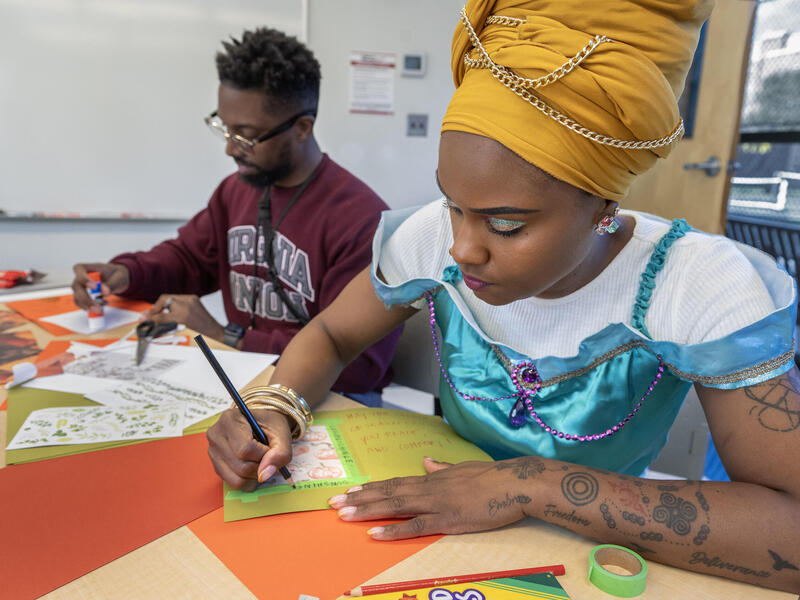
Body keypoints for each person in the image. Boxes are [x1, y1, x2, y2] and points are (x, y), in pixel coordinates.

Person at [206, 1, 800, 593]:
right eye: (453, 205)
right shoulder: (435, 238)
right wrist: (276, 405)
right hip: (438, 524)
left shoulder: (695, 283)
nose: (462, 249)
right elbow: (333, 336)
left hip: (597, 554)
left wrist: (531, 483)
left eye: (506, 225)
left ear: (603, 207)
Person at [71, 27, 400, 398]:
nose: (229, 148)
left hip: (330, 400)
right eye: (224, 128)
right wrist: (128, 272)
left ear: (302, 128)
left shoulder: (361, 221)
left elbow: (359, 368)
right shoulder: (237, 191)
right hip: (242, 379)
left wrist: (229, 337)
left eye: (245, 134)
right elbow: (187, 260)